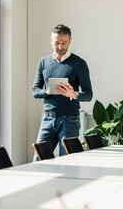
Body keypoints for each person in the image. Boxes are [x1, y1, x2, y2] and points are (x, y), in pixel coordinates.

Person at [32, 24, 93, 159]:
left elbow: (89, 95)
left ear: (70, 41)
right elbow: (35, 91)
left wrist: (74, 94)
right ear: (51, 41)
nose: (60, 47)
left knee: (67, 161)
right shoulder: (43, 62)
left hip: (70, 120)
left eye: (64, 43)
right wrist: (47, 92)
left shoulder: (79, 64)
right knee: (39, 160)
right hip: (47, 118)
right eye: (57, 43)